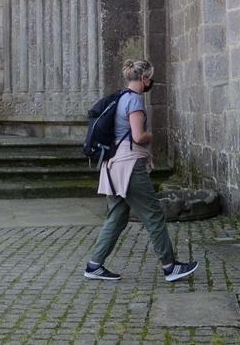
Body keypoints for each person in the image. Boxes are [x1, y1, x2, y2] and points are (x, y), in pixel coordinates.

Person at [83, 59, 199, 282]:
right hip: (129, 167)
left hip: (113, 165)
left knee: (117, 216)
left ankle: (94, 265)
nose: (151, 82)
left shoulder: (120, 97)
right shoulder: (135, 101)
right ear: (144, 79)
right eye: (150, 78)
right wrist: (152, 136)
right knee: (154, 214)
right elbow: (138, 136)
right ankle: (170, 266)